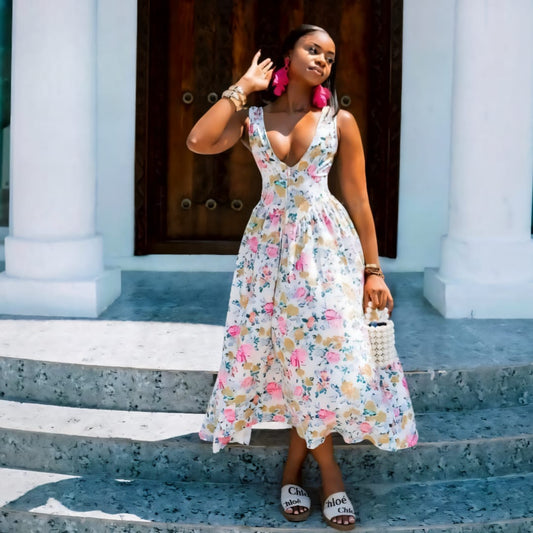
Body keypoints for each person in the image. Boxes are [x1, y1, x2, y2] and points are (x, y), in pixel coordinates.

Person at [187, 24, 418, 531]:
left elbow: (359, 200)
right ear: (286, 57)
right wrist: (241, 87)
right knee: (290, 356)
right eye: (313, 50)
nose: (322, 61)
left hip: (326, 250)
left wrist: (373, 271)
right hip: (268, 253)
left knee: (322, 354)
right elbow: (199, 141)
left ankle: (313, 472)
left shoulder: (340, 120)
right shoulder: (252, 118)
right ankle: (310, 472)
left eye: (330, 57)